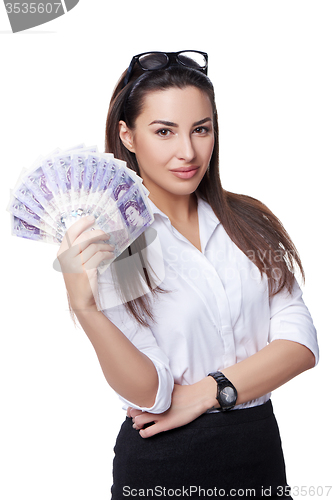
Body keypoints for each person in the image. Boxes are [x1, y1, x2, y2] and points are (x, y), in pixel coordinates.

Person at [57, 51, 319, 499]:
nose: (188, 152)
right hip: (163, 463)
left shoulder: (248, 222)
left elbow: (300, 344)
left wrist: (207, 392)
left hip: (258, 455)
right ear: (128, 136)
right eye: (164, 132)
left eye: (202, 129)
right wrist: (85, 308)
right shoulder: (111, 243)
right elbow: (151, 394)